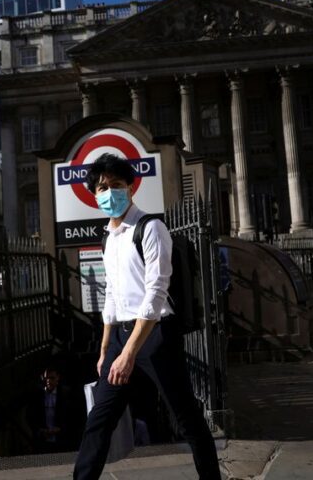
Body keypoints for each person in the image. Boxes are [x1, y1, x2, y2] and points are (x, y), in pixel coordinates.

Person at [73, 153, 221, 480]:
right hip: (121, 338)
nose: (109, 192)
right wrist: (106, 349)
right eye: (101, 188)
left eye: (116, 185)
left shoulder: (151, 228)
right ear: (93, 195)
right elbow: (112, 295)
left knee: (186, 418)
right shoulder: (109, 239)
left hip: (156, 338)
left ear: (131, 187)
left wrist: (129, 354)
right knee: (99, 420)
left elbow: (155, 294)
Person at [26, 366, 79, 453]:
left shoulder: (66, 394)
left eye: (52, 378)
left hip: (62, 440)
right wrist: (40, 430)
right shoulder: (37, 395)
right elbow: (30, 415)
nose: (48, 381)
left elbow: (72, 415)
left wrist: (60, 428)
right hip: (42, 440)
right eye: (46, 378)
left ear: (58, 378)